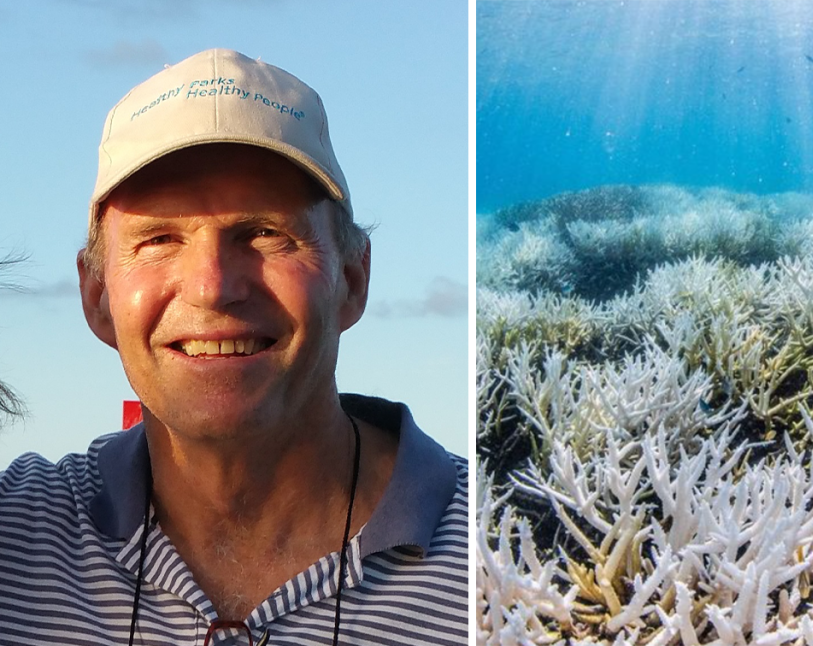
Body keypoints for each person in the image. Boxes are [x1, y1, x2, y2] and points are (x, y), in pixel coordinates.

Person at [0, 49, 467, 645]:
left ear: (352, 279)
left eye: (265, 233)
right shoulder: (16, 536)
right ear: (96, 297)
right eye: (159, 238)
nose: (212, 287)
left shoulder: (494, 546)